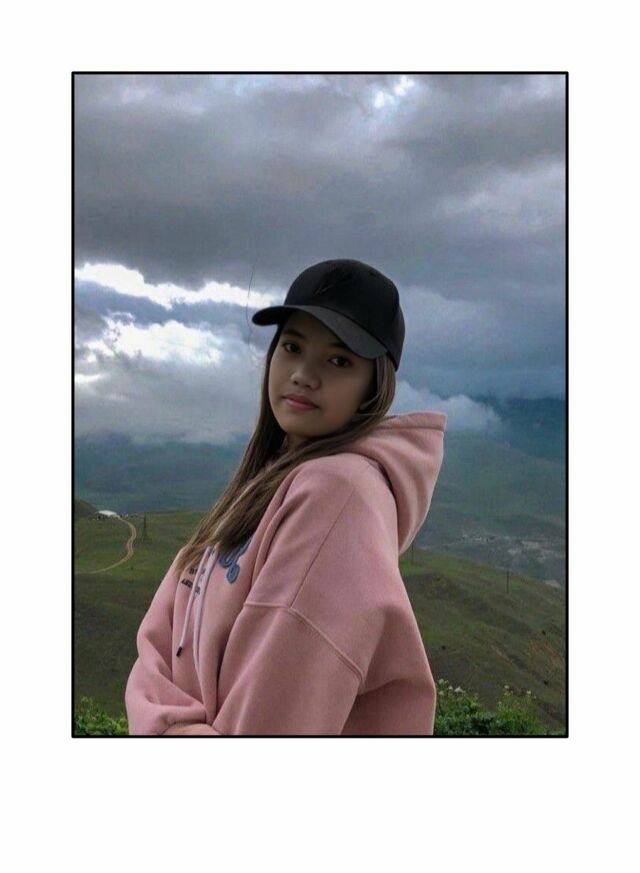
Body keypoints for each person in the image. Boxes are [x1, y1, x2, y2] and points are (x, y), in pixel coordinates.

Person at [124, 258, 447, 736]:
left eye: (339, 361)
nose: (303, 374)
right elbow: (157, 643)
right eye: (292, 346)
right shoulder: (268, 478)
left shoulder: (336, 496)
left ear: (372, 388)